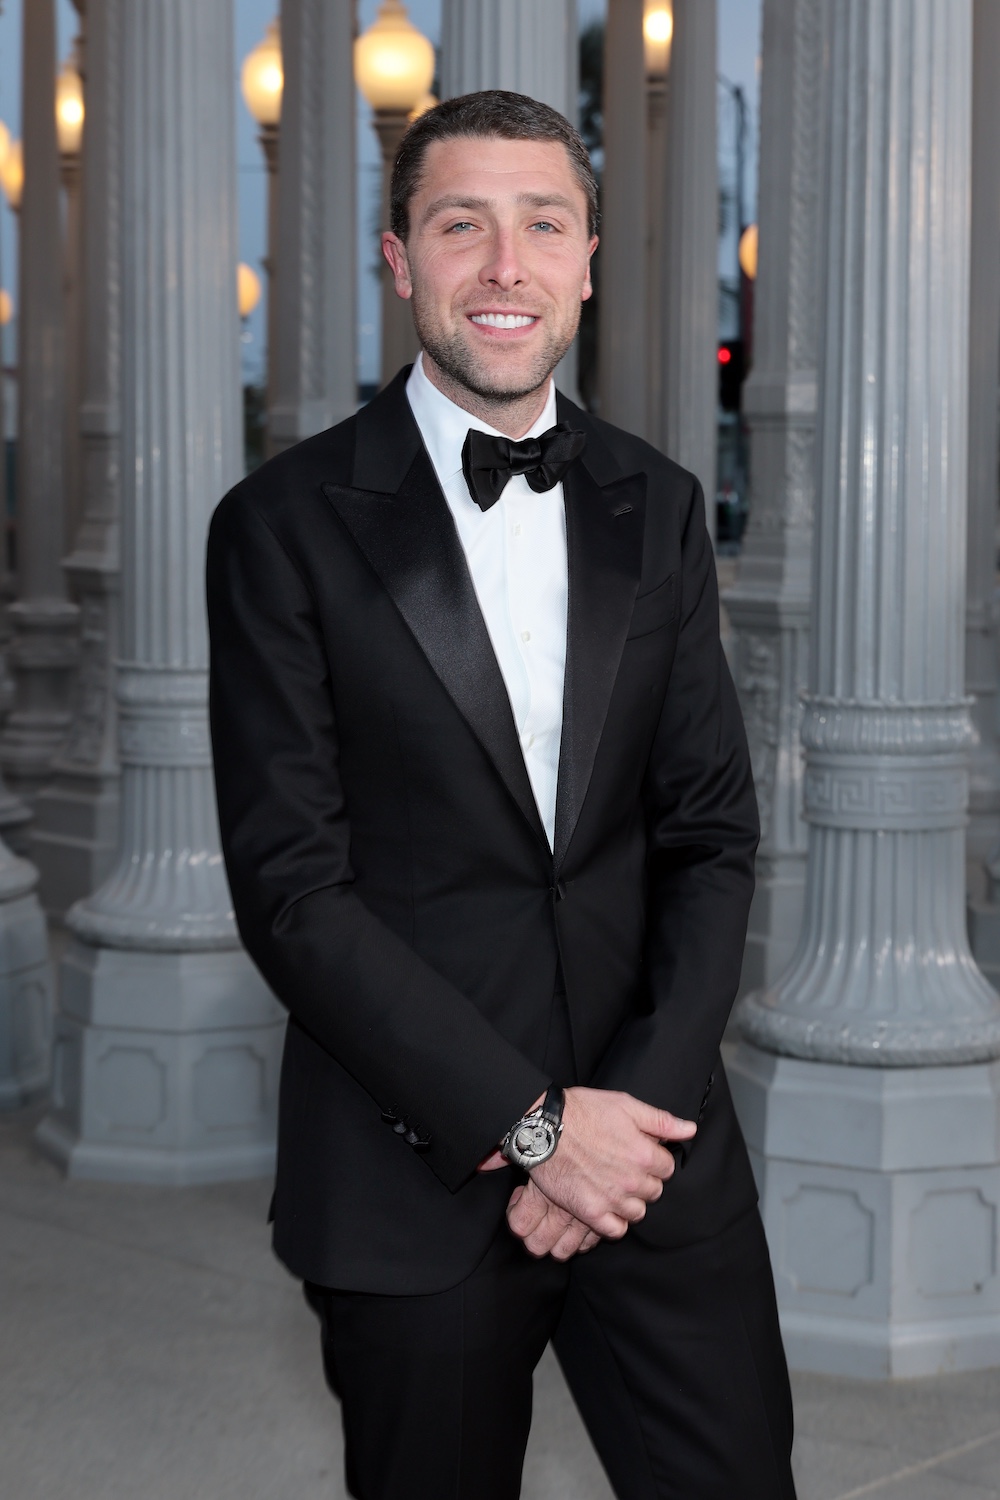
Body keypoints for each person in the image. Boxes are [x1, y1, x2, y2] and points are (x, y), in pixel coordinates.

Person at [207, 90, 796, 1500]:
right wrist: (533, 1128)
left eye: (543, 224)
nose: (505, 264)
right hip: (410, 1168)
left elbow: (710, 836)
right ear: (399, 258)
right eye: (460, 224)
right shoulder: (279, 527)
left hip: (654, 1157)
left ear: (588, 258)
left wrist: (623, 1123)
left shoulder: (659, 506)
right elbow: (294, 895)